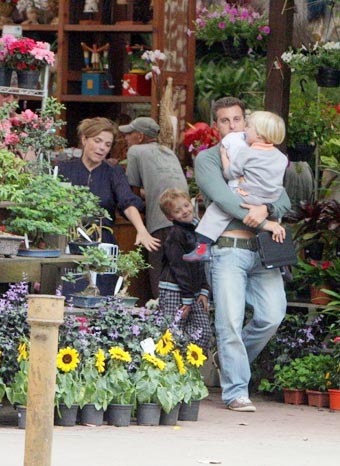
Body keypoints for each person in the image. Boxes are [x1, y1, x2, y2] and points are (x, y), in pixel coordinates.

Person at [194, 97, 291, 412]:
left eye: (239, 120)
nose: (234, 126)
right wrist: (265, 218)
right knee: (230, 322)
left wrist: (267, 207)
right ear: (216, 125)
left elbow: (285, 200)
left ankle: (229, 360)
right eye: (226, 121)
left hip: (263, 252)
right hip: (229, 250)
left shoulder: (267, 154)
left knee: (272, 315)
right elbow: (223, 199)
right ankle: (236, 391)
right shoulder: (209, 158)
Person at [183, 111, 287, 262]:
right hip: (270, 197)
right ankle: (281, 263)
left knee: (216, 211)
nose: (244, 129)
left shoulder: (247, 152)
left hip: (248, 195)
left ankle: (203, 246)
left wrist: (225, 156)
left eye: (248, 127)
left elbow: (230, 173)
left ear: (259, 134)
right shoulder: (281, 157)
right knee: (275, 226)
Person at [57, 117, 159, 251]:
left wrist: (141, 230)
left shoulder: (113, 172)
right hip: (67, 240)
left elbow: (127, 201)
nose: (102, 148)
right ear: (84, 140)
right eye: (97, 141)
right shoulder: (64, 169)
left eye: (107, 144)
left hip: (102, 242)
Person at [122, 116, 189, 298]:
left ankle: (163, 321)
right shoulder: (168, 152)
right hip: (187, 223)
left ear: (140, 136)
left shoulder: (136, 151)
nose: (126, 138)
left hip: (161, 223)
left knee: (159, 277)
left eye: (129, 133)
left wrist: (139, 213)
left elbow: (132, 192)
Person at [157, 188, 211, 349]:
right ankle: (172, 366)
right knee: (172, 332)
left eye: (186, 206)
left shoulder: (199, 230)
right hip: (175, 288)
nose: (185, 211)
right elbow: (179, 268)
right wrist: (187, 298)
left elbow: (201, 262)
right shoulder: (175, 235)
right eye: (177, 210)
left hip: (193, 291)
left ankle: (187, 364)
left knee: (203, 332)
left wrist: (204, 289)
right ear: (170, 216)